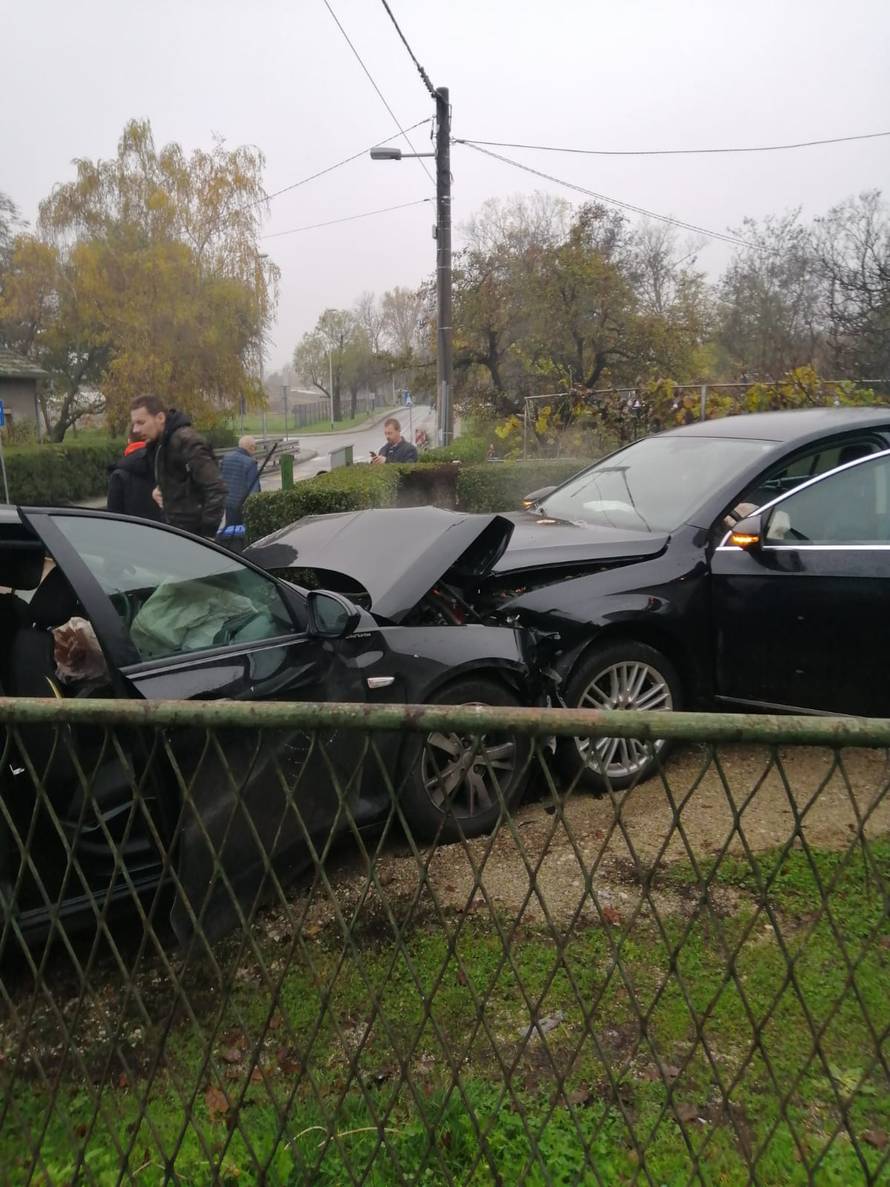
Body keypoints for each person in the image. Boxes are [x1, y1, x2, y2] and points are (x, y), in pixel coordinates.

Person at [129, 394, 226, 539]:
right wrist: (161, 489)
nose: (135, 430)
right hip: (174, 531)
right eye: (134, 424)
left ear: (160, 418)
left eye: (141, 422)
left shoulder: (187, 441)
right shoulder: (159, 443)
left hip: (193, 536)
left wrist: (207, 536)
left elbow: (216, 488)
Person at [106, 434, 163, 521]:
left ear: (129, 440)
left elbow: (113, 517)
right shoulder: (163, 467)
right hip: (163, 531)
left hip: (130, 531)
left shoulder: (119, 475)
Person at [219, 436, 261, 527]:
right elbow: (254, 489)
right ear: (251, 447)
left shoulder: (226, 457)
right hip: (242, 506)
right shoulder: (250, 462)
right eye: (255, 447)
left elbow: (220, 479)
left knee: (230, 531)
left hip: (228, 503)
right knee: (242, 534)